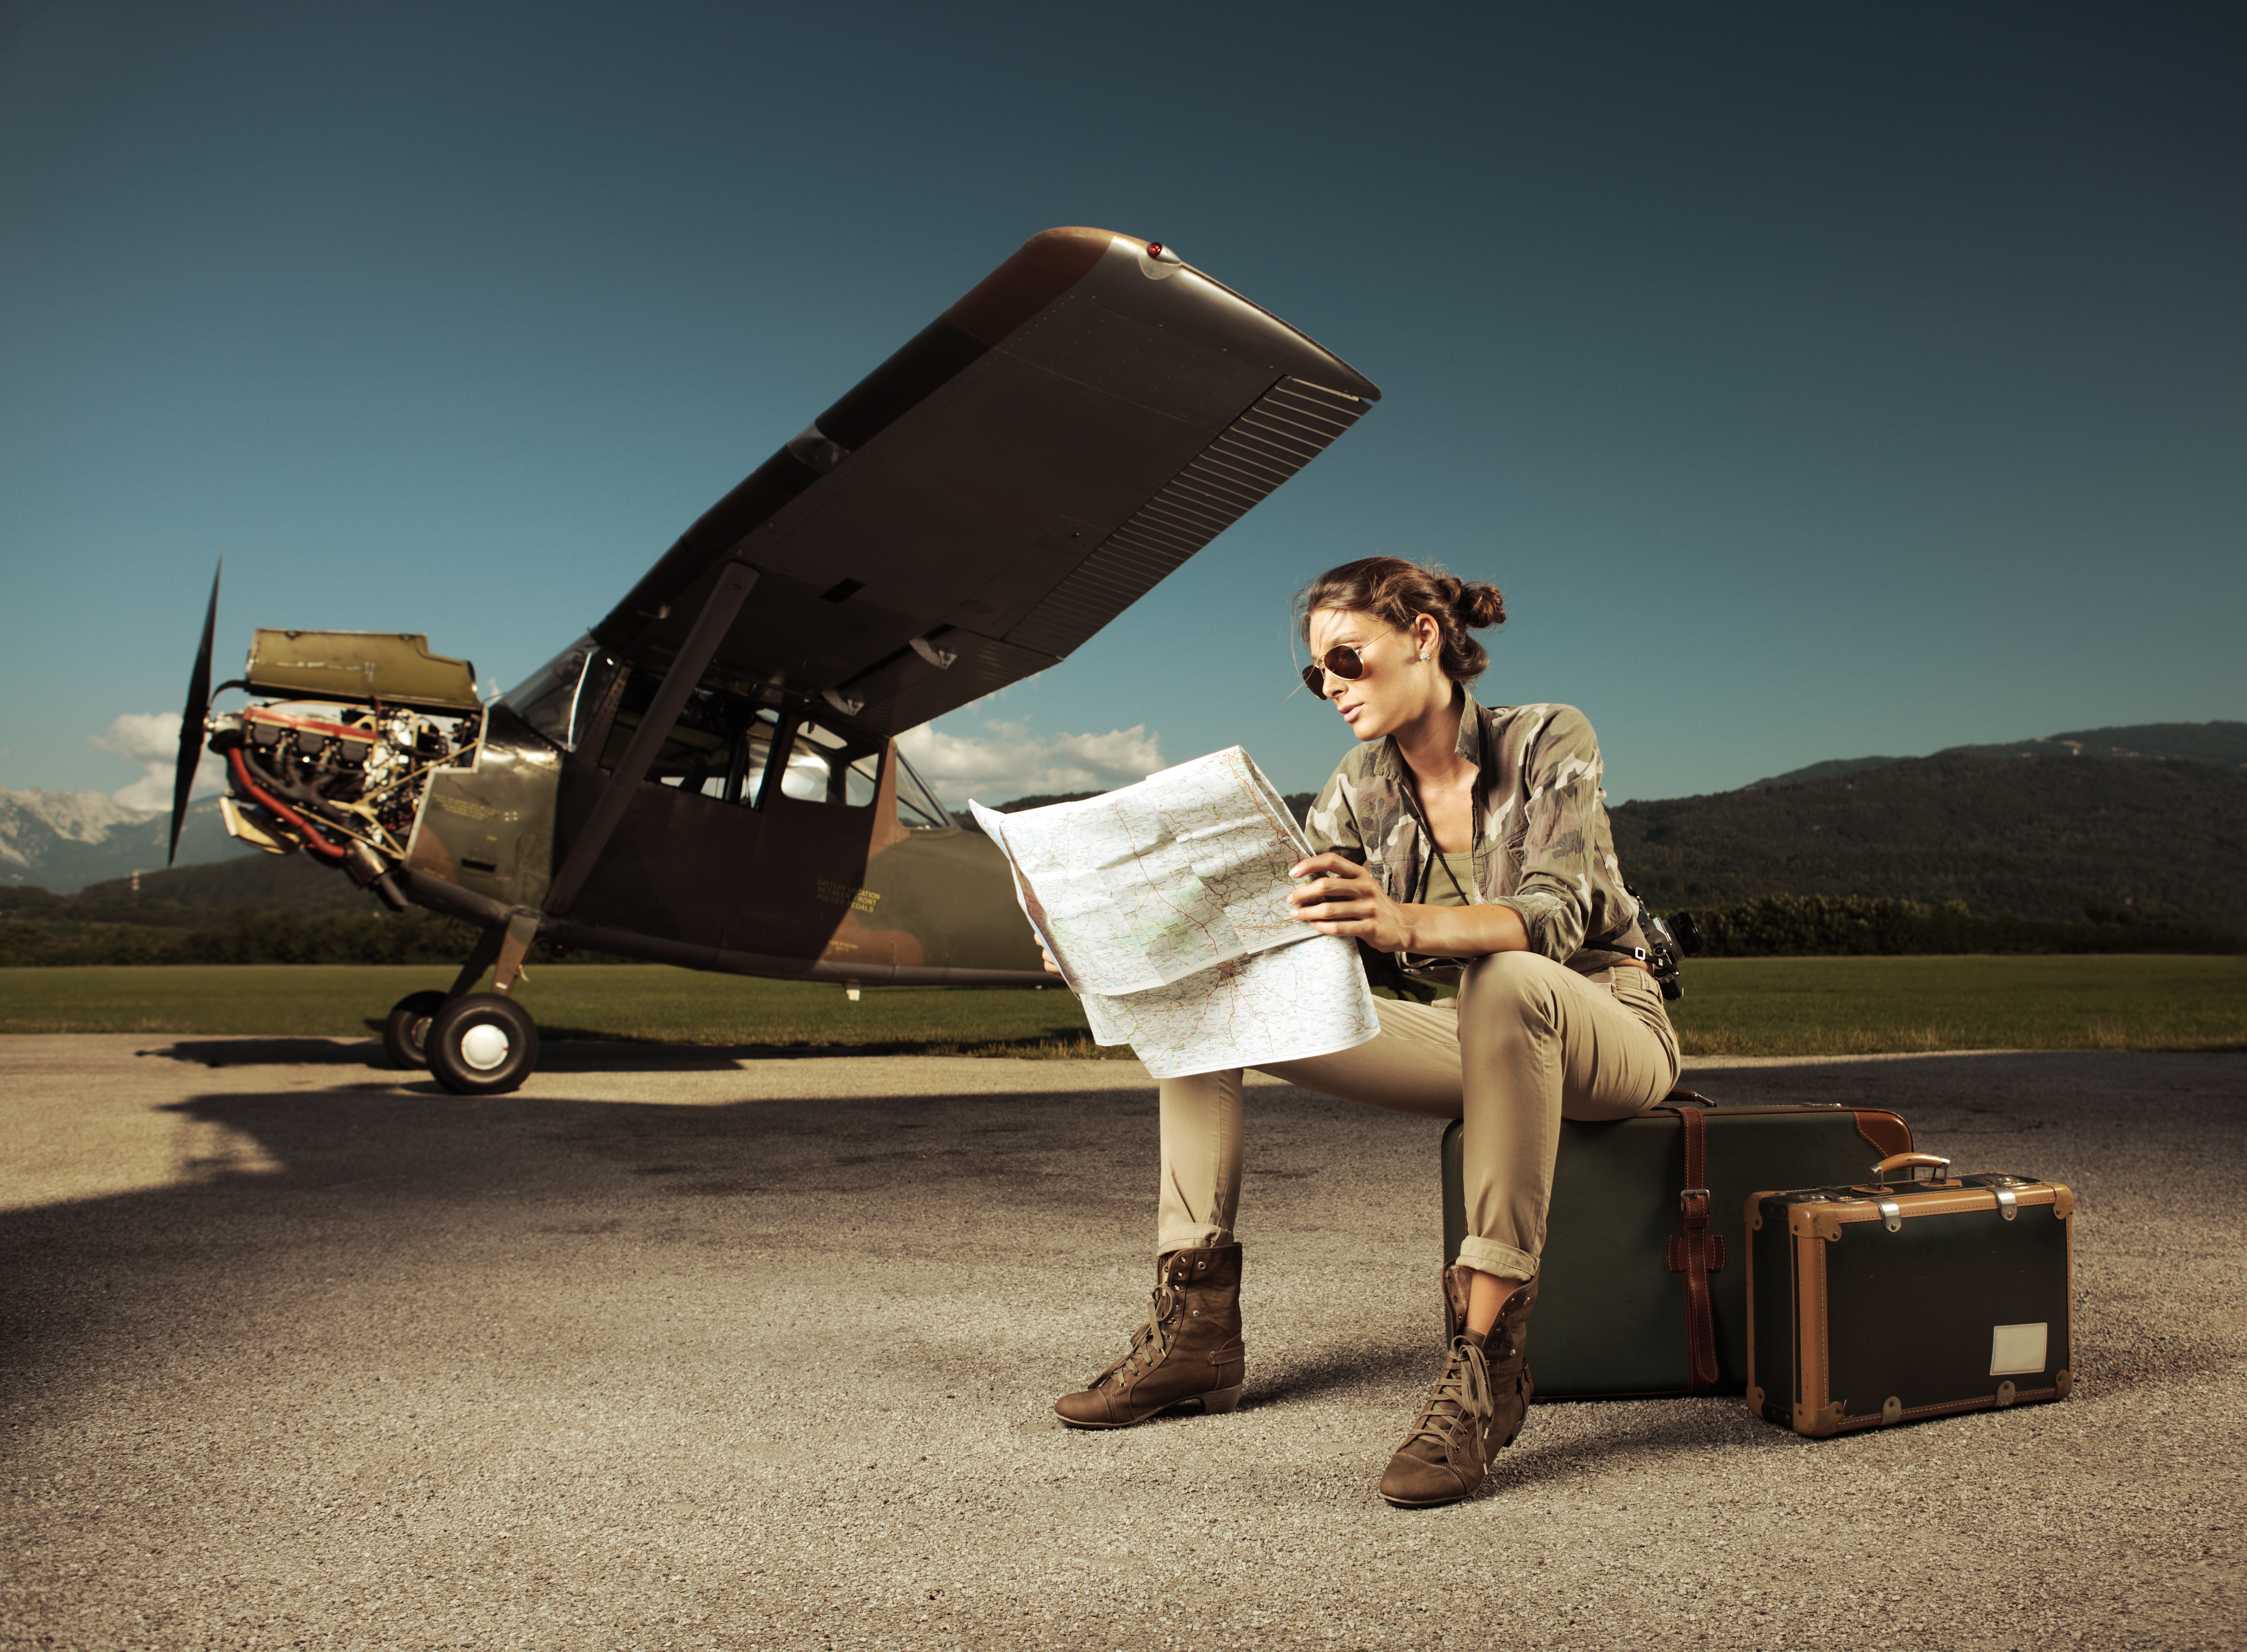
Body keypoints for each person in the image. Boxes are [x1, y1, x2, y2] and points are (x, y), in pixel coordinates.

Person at [1049, 555, 1681, 1508]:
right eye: (1317, 674)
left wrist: (1404, 924)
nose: (1331, 686)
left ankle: (1485, 1365)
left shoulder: (1549, 736)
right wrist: (1119, 951)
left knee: (1509, 976)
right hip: (1469, 1034)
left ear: (1423, 638)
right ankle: (1196, 1332)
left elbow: (1552, 913)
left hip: (1603, 1020)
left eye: (1346, 657)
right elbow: (1286, 932)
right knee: (1206, 998)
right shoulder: (1356, 787)